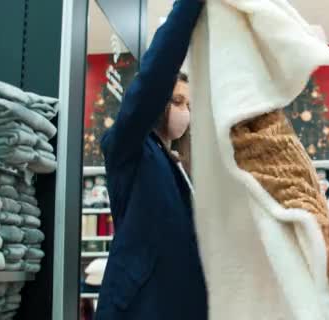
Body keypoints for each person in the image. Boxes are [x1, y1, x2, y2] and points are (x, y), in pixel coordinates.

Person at [94, 0, 207, 319]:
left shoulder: (178, 166)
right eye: (177, 100)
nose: (185, 110)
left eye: (189, 103)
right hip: (141, 307)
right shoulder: (129, 145)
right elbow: (155, 76)